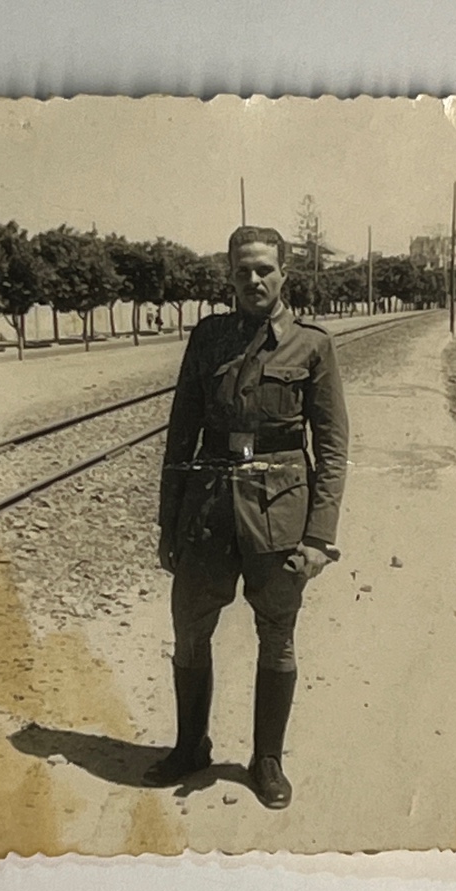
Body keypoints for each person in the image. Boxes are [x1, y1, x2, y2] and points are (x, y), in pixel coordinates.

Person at [143, 225, 349, 809]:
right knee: (189, 630)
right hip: (208, 511)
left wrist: (320, 536)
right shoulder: (208, 338)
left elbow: (332, 448)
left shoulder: (312, 344)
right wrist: (168, 525)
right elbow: (180, 435)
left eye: (264, 269)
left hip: (280, 516)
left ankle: (266, 761)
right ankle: (191, 746)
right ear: (229, 276)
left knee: (277, 638)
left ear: (285, 274)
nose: (253, 280)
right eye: (242, 271)